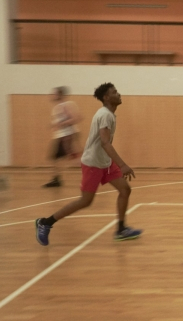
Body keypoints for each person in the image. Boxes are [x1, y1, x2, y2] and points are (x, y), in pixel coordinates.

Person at [35, 83, 142, 246]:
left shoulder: (110, 114)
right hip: (93, 163)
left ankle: (121, 229)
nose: (119, 94)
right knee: (85, 201)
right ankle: (45, 222)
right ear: (106, 98)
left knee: (125, 189)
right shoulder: (105, 114)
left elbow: (104, 145)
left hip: (105, 161)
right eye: (114, 92)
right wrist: (122, 165)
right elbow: (106, 143)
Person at [43, 86, 83, 188]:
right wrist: (55, 124)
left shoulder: (65, 106)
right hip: (62, 135)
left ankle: (95, 173)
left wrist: (60, 124)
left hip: (67, 135)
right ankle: (56, 179)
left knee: (73, 157)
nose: (52, 95)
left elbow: (76, 118)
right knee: (56, 157)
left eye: (54, 93)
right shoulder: (59, 107)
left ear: (59, 95)